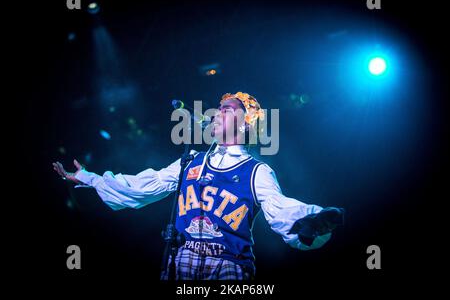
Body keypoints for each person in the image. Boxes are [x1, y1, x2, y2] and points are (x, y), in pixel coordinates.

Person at [53, 91, 343, 280]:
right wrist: (89, 178)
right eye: (218, 108)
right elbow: (143, 186)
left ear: (244, 125)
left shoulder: (255, 171)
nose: (217, 113)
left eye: (227, 110)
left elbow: (278, 208)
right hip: (180, 261)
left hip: (229, 266)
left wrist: (311, 222)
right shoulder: (190, 161)